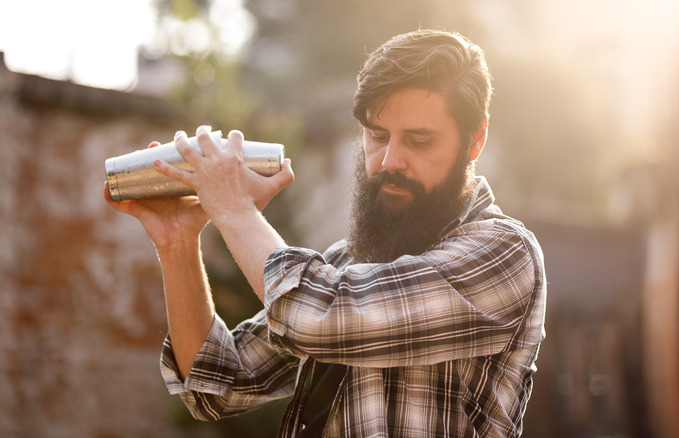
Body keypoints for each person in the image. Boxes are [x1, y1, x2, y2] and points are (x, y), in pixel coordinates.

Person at [105, 29, 547, 437]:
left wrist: (235, 211)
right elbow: (217, 383)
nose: (389, 160)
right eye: (377, 135)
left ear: (474, 141)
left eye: (419, 140)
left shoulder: (503, 254)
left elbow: (321, 319)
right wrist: (177, 242)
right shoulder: (343, 265)